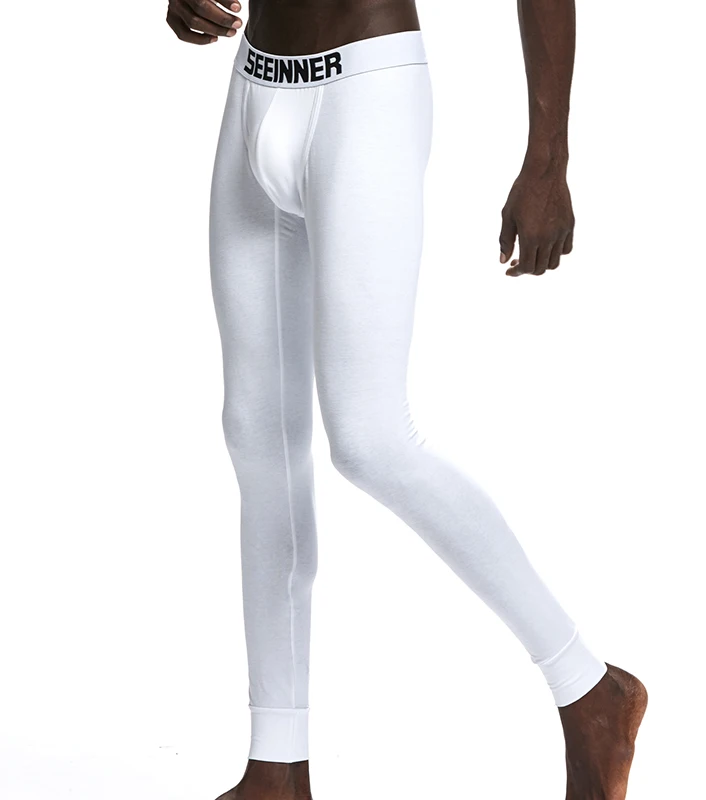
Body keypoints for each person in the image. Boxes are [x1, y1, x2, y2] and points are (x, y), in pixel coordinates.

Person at [165, 1, 648, 798]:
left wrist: (548, 158)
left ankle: (592, 691)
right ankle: (276, 767)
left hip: (365, 91)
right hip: (254, 85)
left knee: (371, 440)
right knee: (256, 435)